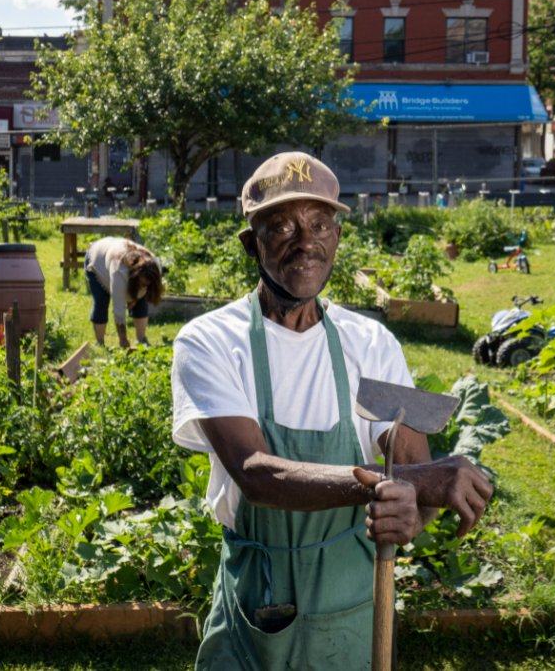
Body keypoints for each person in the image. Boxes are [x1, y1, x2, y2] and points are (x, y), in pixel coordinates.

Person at [171, 151, 493, 669]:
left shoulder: (372, 343)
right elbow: (257, 475)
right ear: (252, 244)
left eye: (321, 223)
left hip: (351, 605)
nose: (307, 243)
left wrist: (412, 512)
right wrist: (419, 482)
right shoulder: (210, 341)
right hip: (259, 597)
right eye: (282, 226)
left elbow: (411, 466)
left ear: (338, 237)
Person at [84, 237, 164, 347]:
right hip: (97, 260)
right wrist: (123, 339)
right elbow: (119, 310)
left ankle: (142, 340)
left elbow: (146, 290)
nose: (146, 286)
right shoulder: (119, 271)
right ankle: (100, 342)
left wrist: (135, 298)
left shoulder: (154, 265)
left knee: (141, 301)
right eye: (144, 283)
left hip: (113, 249)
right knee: (101, 301)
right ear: (136, 276)